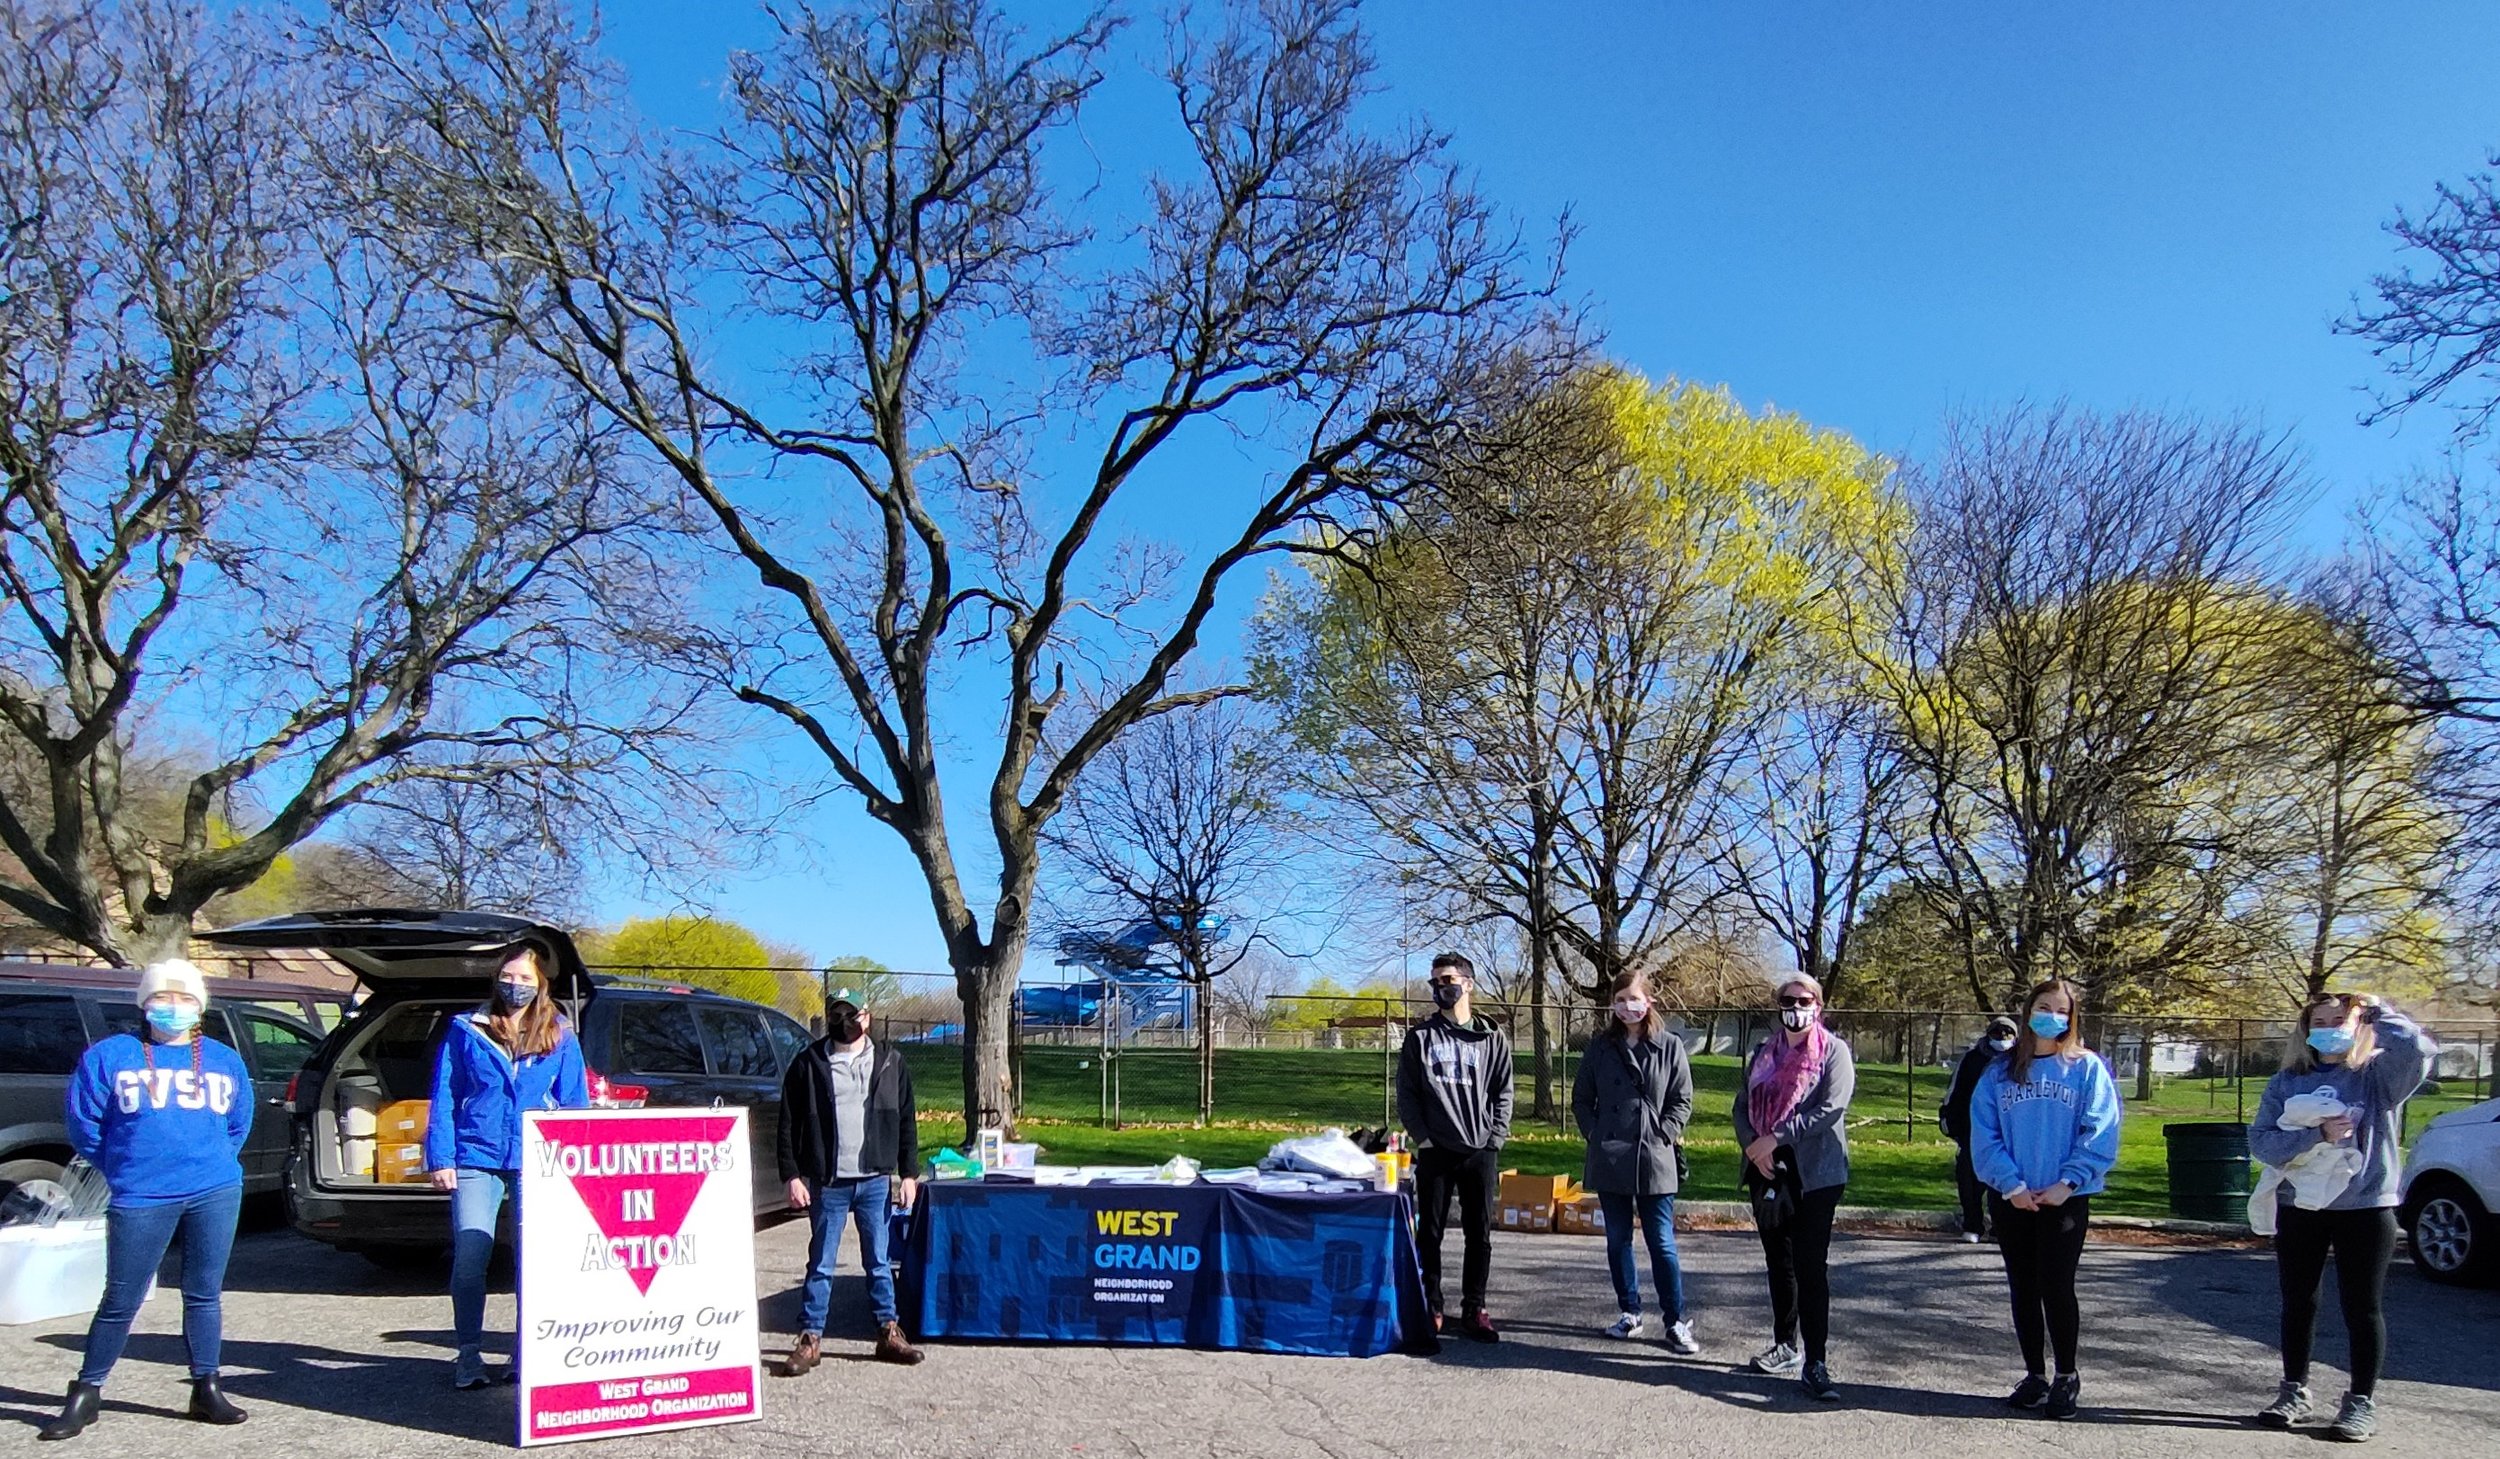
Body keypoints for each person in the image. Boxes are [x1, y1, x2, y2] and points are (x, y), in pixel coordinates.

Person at [42, 961, 254, 1441]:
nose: (173, 1008)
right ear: (144, 1003)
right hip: (141, 1194)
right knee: (122, 1295)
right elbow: (84, 1125)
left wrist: (215, 1161)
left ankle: (207, 1384)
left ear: (200, 1006)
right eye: (163, 998)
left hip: (214, 1190)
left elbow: (238, 1123)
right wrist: (123, 1167)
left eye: (184, 999)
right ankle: (87, 1390)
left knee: (204, 1293)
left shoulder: (223, 1060)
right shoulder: (110, 1056)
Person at [2247, 992, 2434, 1443]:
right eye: (2320, 1020)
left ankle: (2360, 1402)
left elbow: (2420, 1050)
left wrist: (2377, 1013)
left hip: (2365, 1207)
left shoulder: (2377, 1077)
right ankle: (2293, 1391)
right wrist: (2315, 1134)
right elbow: (2263, 1143)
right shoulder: (2286, 1082)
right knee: (2299, 1301)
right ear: (2306, 1029)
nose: (2329, 1027)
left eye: (2340, 1019)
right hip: (2301, 1206)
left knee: (2362, 1307)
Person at [425, 943, 590, 1389]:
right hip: (476, 1156)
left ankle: (525, 1352)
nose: (515, 985)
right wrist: (441, 1157)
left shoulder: (560, 1033)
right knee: (470, 1257)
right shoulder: (465, 1028)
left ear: (541, 985)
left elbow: (576, 1103)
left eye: (525, 979)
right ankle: (468, 1354)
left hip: (538, 1161)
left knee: (532, 1264)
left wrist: (575, 1165)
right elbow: (444, 1094)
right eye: (508, 976)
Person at [1968, 977, 2122, 1423]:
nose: (2051, 1016)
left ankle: (2066, 1375)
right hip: (2012, 1198)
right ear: (2028, 1010)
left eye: (2061, 1009)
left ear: (2071, 1018)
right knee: (2023, 1287)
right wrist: (2011, 1185)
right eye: (2043, 1006)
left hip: (2064, 1199)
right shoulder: (2000, 1072)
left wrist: (2069, 1182)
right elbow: (1984, 1134)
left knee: (2056, 1286)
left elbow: (2100, 1130)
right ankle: (2034, 1373)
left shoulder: (2086, 1068)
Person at [778, 988, 924, 1370]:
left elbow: (906, 1119)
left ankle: (889, 1332)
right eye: (836, 1016)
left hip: (875, 1179)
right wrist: (791, 1174)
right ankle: (810, 1339)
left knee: (878, 1261)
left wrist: (909, 1173)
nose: (844, 1023)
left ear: (867, 1017)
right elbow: (788, 1123)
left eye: (851, 1015)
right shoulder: (808, 1063)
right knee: (821, 1263)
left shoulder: (890, 1062)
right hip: (828, 1181)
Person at [1731, 973, 1856, 1402]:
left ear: (1818, 1005)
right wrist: (1754, 1145)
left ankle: (1815, 1360)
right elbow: (1741, 1105)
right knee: (1778, 1263)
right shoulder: (1763, 1053)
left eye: (1805, 1000)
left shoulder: (1834, 1053)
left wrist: (1778, 1137)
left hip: (1816, 1173)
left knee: (1809, 1265)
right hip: (1767, 1170)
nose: (1796, 1007)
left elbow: (1831, 1107)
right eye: (1789, 999)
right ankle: (1785, 1343)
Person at [1572, 971, 1698, 1354]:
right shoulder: (1600, 1047)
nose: (1628, 1006)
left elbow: (1682, 1098)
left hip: (1654, 1156)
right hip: (1610, 1155)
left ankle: (1675, 1320)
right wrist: (1594, 1132)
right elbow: (1581, 1099)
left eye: (1634, 998)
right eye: (1621, 999)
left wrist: (1666, 1132)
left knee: (1662, 1243)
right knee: (1617, 1240)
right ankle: (1630, 1312)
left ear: (1650, 1002)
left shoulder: (1670, 1046)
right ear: (1613, 1004)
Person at [1396, 952, 1513, 1343]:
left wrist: (1494, 1137)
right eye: (1434, 983)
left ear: (1468, 983)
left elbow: (1503, 1091)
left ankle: (1474, 1308)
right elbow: (1408, 1093)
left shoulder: (1492, 1038)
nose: (1440, 988)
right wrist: (1423, 1138)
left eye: (1447, 980)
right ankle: (1432, 1305)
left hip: (1479, 1150)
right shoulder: (1421, 1037)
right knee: (1429, 1234)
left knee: (1479, 1234)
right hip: (1436, 1151)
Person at [1941, 1016, 2021, 1243]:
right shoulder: (1972, 1059)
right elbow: (1956, 1091)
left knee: (2006, 1178)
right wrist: (1950, 1120)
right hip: (1973, 1129)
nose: (2002, 1039)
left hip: (2011, 1132)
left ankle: (2000, 1226)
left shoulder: (2021, 1060)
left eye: (2008, 1034)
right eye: (1997, 1034)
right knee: (1969, 1179)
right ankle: (1972, 1224)